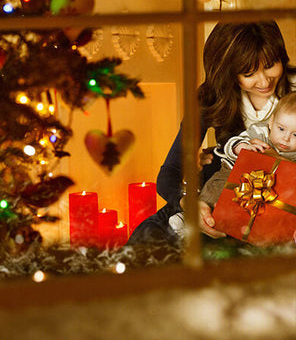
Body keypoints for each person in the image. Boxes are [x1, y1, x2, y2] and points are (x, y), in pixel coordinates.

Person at [127, 20, 296, 245]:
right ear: (229, 71)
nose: (264, 81)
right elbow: (170, 171)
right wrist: (189, 204)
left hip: (282, 203)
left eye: (270, 65)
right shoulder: (211, 98)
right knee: (147, 238)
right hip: (218, 194)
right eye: (249, 73)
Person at [169, 91, 296, 240]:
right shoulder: (259, 131)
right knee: (216, 190)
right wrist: (241, 147)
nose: (286, 138)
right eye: (281, 129)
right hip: (236, 172)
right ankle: (189, 218)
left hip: (274, 189)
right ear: (271, 121)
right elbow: (232, 142)